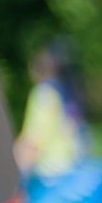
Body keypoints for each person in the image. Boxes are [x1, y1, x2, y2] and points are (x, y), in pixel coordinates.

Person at [13, 40, 90, 177]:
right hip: (77, 159)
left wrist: (19, 164)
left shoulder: (43, 93)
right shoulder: (65, 89)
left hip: (53, 169)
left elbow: (35, 137)